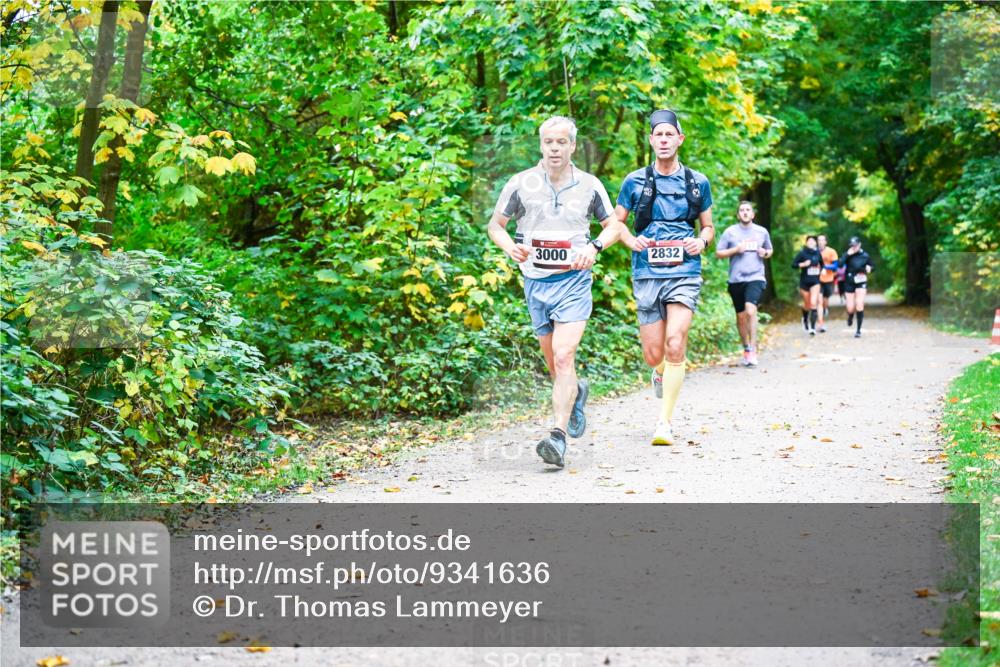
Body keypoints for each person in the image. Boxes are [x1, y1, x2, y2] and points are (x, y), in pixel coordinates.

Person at [488, 116, 619, 469]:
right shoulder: (521, 184)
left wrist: (594, 247)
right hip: (535, 284)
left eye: (562, 142)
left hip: (573, 283)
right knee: (554, 364)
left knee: (564, 356)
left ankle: (557, 438)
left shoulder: (590, 186)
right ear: (541, 145)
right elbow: (495, 225)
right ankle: (576, 395)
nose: (555, 148)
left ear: (573, 146)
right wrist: (508, 248)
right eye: (549, 142)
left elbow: (614, 227)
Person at [615, 109, 714, 445]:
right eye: (658, 135)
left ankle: (664, 423)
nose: (664, 140)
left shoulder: (697, 182)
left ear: (679, 139)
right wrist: (632, 240)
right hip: (646, 272)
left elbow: (709, 226)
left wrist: (700, 241)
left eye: (670, 134)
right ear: (651, 140)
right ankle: (659, 373)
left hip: (685, 271)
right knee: (654, 355)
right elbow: (616, 224)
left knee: (675, 344)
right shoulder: (634, 181)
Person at [716, 200, 772, 367]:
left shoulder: (761, 232)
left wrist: (765, 253)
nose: (745, 212)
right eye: (742, 210)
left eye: (748, 210)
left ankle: (753, 349)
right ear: (738, 214)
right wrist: (735, 250)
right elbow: (719, 253)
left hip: (756, 277)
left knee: (750, 310)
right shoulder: (730, 233)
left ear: (753, 214)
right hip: (736, 279)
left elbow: (769, 250)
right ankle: (746, 348)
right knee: (741, 317)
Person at [839, 236, 873, 338]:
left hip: (861, 281)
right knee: (850, 308)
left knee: (859, 304)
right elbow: (840, 265)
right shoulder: (848, 255)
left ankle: (858, 330)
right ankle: (850, 316)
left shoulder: (865, 255)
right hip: (849, 282)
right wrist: (846, 255)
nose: (854, 248)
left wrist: (869, 268)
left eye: (855, 246)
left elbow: (872, 266)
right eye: (852, 246)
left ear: (859, 245)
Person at [791, 235, 823, 335]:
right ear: (806, 243)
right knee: (807, 304)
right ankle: (805, 318)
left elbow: (822, 264)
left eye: (813, 241)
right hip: (804, 282)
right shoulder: (802, 253)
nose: (811, 243)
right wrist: (803, 264)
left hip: (815, 281)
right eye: (809, 241)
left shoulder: (818, 253)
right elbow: (793, 265)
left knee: (813, 303)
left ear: (815, 243)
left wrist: (822, 270)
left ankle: (812, 328)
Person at [817, 234, 838, 333]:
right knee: (819, 301)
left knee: (825, 299)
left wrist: (825, 267)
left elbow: (835, 266)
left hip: (828, 279)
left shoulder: (831, 251)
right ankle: (820, 322)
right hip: (817, 280)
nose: (820, 242)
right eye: (819, 240)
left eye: (822, 240)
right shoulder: (814, 252)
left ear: (825, 242)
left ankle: (825, 308)